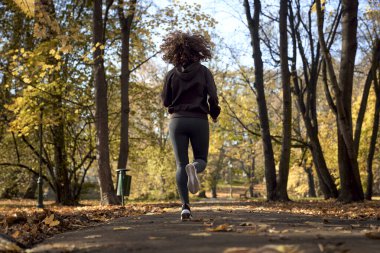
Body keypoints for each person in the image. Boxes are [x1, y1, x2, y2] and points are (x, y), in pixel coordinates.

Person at [160, 31, 221, 221]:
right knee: (200, 158)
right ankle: (194, 167)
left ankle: (185, 207)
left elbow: (165, 100)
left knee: (180, 164)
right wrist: (214, 112)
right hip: (199, 120)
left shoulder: (171, 74)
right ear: (198, 52)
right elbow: (213, 97)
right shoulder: (203, 72)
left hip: (177, 121)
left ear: (174, 53)